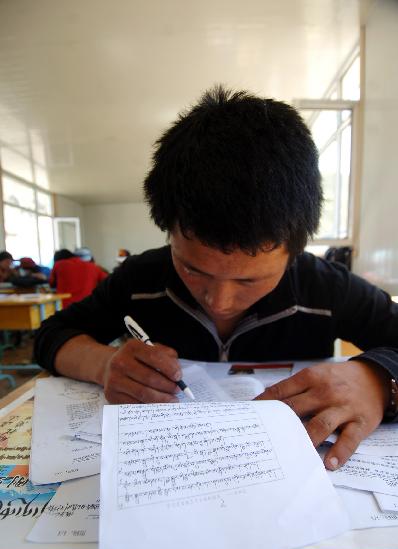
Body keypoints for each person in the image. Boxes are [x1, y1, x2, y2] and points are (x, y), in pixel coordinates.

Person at [34, 86, 398, 471]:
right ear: (168, 232)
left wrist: (380, 383)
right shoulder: (140, 279)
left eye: (249, 281)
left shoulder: (327, 287)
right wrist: (102, 364)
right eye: (193, 269)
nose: (220, 301)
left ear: (294, 251)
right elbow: (51, 334)